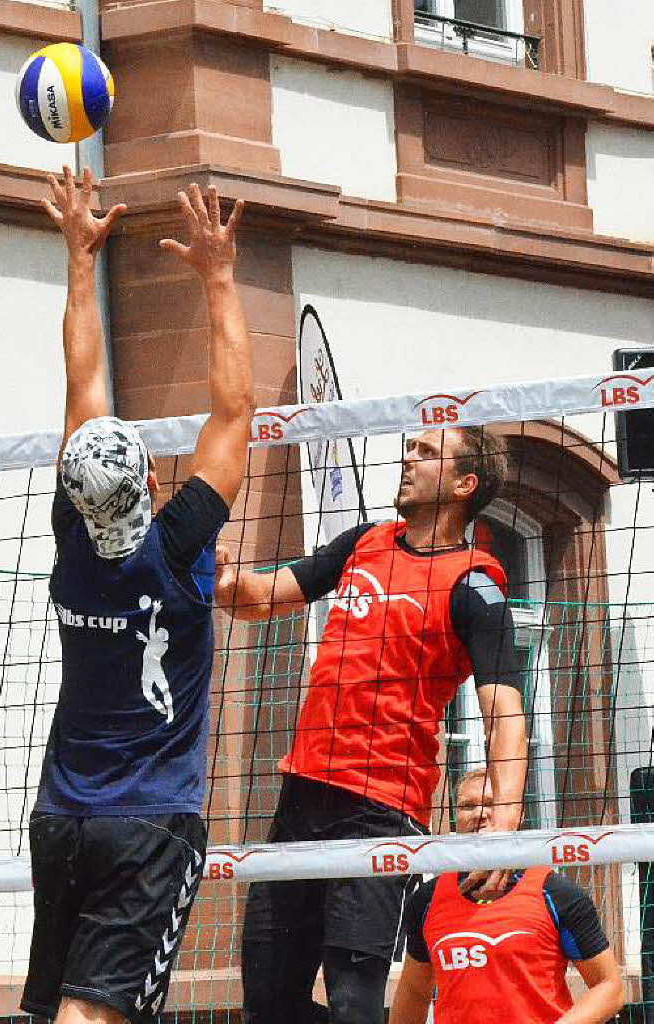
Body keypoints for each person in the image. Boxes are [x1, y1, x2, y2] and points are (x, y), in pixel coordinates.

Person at [20, 167, 254, 1024]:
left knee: (58, 1015)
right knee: (93, 1019)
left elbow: (81, 390)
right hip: (149, 824)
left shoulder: (70, 552)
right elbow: (235, 410)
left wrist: (81, 263)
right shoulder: (179, 547)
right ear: (152, 478)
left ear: (72, 493)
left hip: (62, 819)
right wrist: (219, 275)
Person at [215, 426, 529, 1024]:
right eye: (409, 448)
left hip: (381, 806)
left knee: (354, 1003)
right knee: (267, 1000)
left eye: (426, 452)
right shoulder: (363, 542)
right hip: (303, 794)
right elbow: (265, 597)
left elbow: (504, 711)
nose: (407, 458)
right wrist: (226, 584)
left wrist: (503, 829)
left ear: (464, 485)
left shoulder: (474, 583)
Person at [390, 767, 625, 1024]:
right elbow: (414, 992)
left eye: (492, 804)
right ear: (456, 816)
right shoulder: (427, 900)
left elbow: (610, 987)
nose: (480, 813)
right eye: (468, 806)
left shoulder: (557, 895)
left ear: (518, 814)